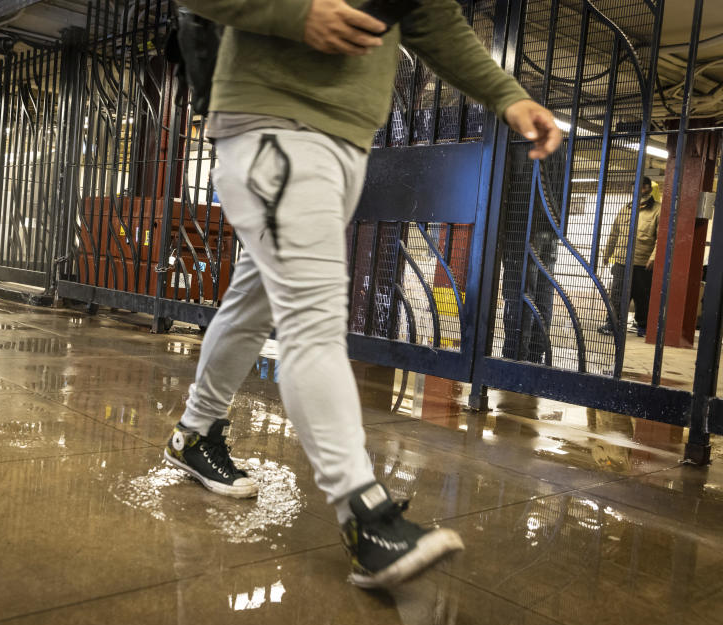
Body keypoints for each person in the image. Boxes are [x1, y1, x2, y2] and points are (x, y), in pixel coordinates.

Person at [163, 0, 561, 591]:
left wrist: (507, 95)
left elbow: (430, 18)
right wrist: (295, 14)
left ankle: (194, 433)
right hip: (274, 122)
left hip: (343, 138)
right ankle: (365, 519)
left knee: (256, 300)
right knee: (313, 321)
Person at [600, 177, 660, 337]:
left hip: (643, 262)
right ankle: (613, 323)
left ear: (648, 188)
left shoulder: (657, 210)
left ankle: (643, 326)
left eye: (640, 188)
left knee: (642, 296)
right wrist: (607, 254)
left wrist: (653, 258)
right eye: (634, 188)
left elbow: (662, 237)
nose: (636, 192)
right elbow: (614, 233)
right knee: (617, 294)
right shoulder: (625, 209)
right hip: (621, 260)